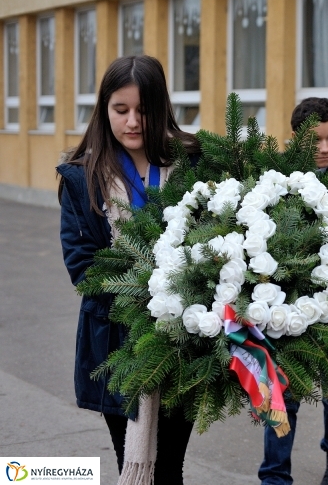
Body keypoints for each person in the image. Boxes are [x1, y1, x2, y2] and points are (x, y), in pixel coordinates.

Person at [57, 55, 201, 483]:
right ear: (104, 109)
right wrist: (149, 291)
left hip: (182, 344)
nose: (133, 121)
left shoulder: (193, 165)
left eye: (145, 110)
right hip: (115, 346)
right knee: (132, 463)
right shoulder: (83, 178)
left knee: (171, 467)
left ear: (163, 108)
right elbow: (83, 267)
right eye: (121, 110)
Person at [258, 97, 328, 485]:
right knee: (281, 393)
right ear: (295, 138)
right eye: (315, 140)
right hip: (285, 306)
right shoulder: (276, 180)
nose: (325, 148)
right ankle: (275, 474)